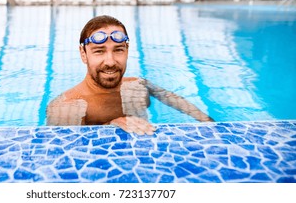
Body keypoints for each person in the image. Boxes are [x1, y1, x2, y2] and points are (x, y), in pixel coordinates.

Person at [46, 15, 214, 135]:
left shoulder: (138, 85)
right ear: (83, 54)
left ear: (127, 51)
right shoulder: (66, 106)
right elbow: (65, 158)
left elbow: (171, 98)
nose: (110, 61)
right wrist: (108, 127)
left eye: (118, 50)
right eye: (99, 51)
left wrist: (210, 123)